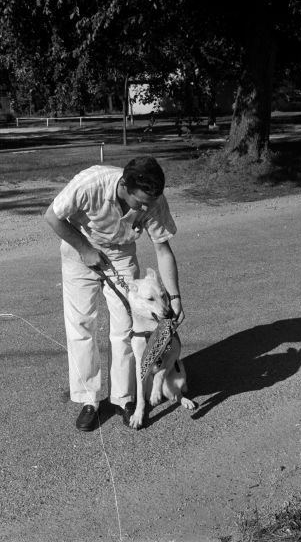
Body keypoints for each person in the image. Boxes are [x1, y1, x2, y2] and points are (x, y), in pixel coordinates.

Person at [44, 156, 183, 431]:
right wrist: (85, 249)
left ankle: (125, 397)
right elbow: (52, 216)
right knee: (81, 326)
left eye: (150, 204)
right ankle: (89, 400)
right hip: (79, 248)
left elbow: (163, 249)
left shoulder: (154, 201)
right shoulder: (91, 183)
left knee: (125, 328)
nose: (145, 209)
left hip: (121, 255)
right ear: (123, 186)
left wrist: (175, 297)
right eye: (140, 203)